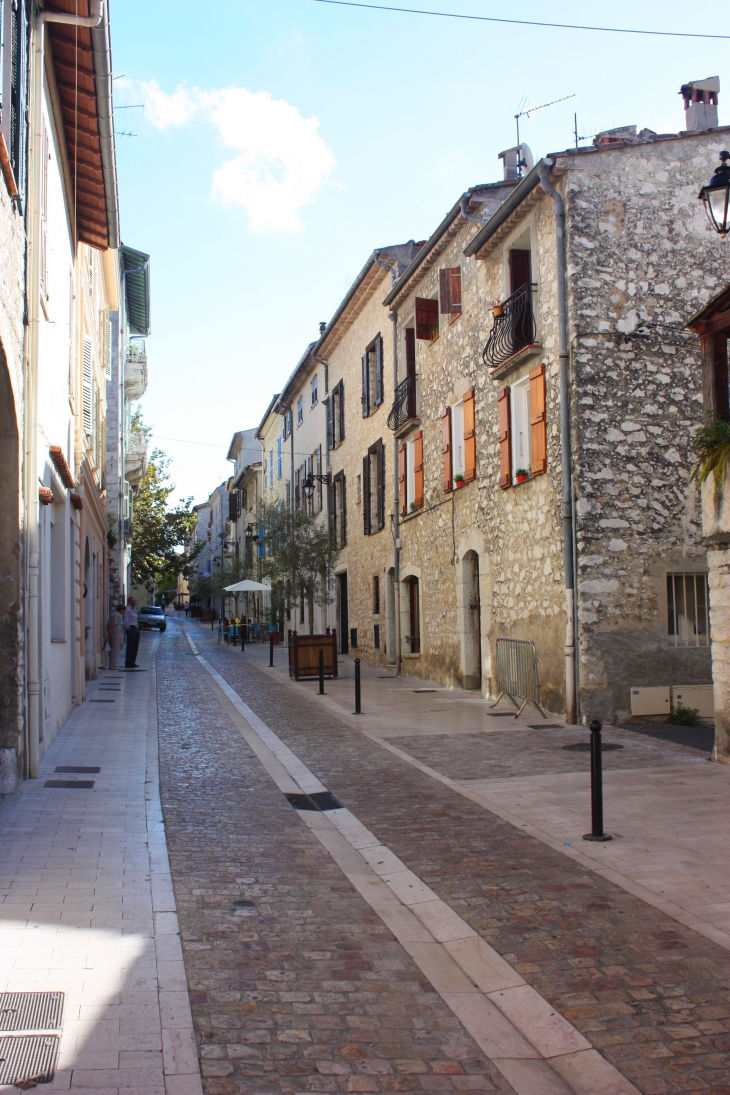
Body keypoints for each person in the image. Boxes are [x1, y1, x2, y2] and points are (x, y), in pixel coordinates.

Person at [106, 603, 125, 669]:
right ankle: (113, 665)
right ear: (121, 610)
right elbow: (112, 624)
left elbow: (109, 624)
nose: (124, 612)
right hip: (116, 633)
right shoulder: (117, 615)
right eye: (123, 610)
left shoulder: (113, 613)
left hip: (113, 633)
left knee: (112, 649)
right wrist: (109, 634)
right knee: (115, 649)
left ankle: (112, 664)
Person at [124, 597, 140, 668]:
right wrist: (128, 628)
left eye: (135, 601)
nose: (134, 602)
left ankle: (133, 661)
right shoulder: (128, 610)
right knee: (130, 646)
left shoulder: (134, 609)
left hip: (135, 628)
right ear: (129, 602)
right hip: (131, 628)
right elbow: (126, 620)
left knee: (135, 646)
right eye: (133, 601)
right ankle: (128, 662)